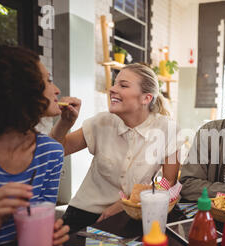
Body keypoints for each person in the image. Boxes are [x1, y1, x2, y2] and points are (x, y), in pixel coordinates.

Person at [0, 45, 77, 246]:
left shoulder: (51, 153)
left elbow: (38, 231)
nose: (57, 90)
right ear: (19, 92)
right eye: (47, 82)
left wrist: (48, 238)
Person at [50, 63, 181, 233]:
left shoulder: (167, 129)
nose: (112, 89)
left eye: (123, 85)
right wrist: (65, 123)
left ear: (146, 98)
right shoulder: (102, 122)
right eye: (114, 83)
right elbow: (54, 152)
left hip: (133, 212)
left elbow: (168, 182)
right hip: (83, 212)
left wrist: (124, 204)